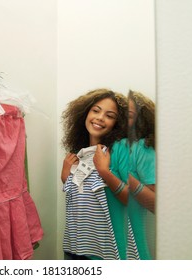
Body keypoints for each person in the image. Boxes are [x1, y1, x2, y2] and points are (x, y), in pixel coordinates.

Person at [60, 88, 131, 260]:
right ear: (85, 113)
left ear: (117, 123)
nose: (100, 117)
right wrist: (65, 177)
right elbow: (80, 199)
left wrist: (105, 172)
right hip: (73, 247)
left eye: (110, 115)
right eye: (96, 110)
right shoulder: (79, 154)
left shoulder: (119, 153)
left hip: (105, 254)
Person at [94, 90, 155, 259]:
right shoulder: (111, 146)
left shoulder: (142, 148)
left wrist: (105, 173)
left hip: (129, 253)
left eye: (128, 115)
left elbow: (155, 204)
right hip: (98, 249)